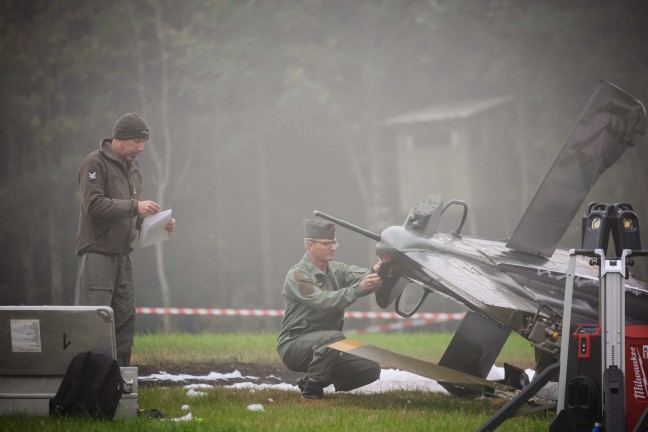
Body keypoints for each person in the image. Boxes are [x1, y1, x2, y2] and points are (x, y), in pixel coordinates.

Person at [74, 112, 176, 367]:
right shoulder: (94, 163)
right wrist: (135, 207)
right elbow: (93, 205)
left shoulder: (134, 171)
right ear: (120, 138)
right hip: (98, 252)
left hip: (123, 255)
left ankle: (118, 381)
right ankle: (88, 381)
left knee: (124, 318)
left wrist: (157, 224)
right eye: (136, 142)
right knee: (94, 319)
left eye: (144, 143)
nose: (141, 148)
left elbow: (132, 216)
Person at [277, 218, 383, 399]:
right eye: (327, 243)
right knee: (334, 337)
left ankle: (309, 380)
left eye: (334, 243)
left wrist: (378, 268)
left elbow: (363, 275)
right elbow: (324, 301)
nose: (333, 247)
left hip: (327, 345)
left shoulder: (336, 269)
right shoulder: (298, 275)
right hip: (294, 345)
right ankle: (312, 391)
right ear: (309, 245)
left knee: (370, 368)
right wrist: (358, 289)